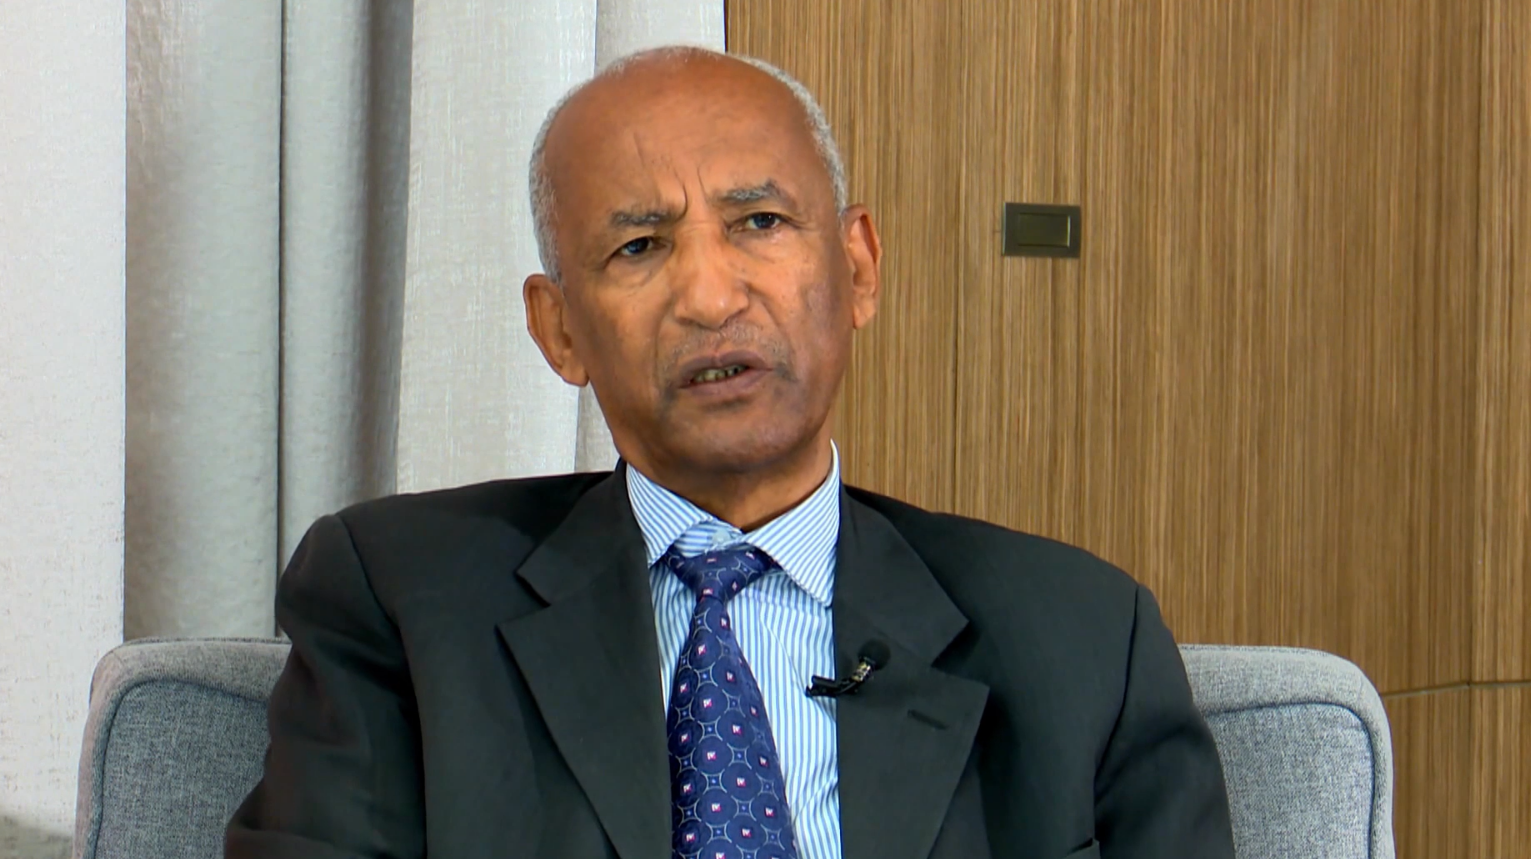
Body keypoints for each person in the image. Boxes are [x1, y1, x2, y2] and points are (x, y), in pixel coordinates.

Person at [226, 45, 1234, 859]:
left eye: (759, 221)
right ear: (559, 329)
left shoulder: (1082, 636)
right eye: (639, 246)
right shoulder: (401, 602)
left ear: (857, 268)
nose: (711, 297)